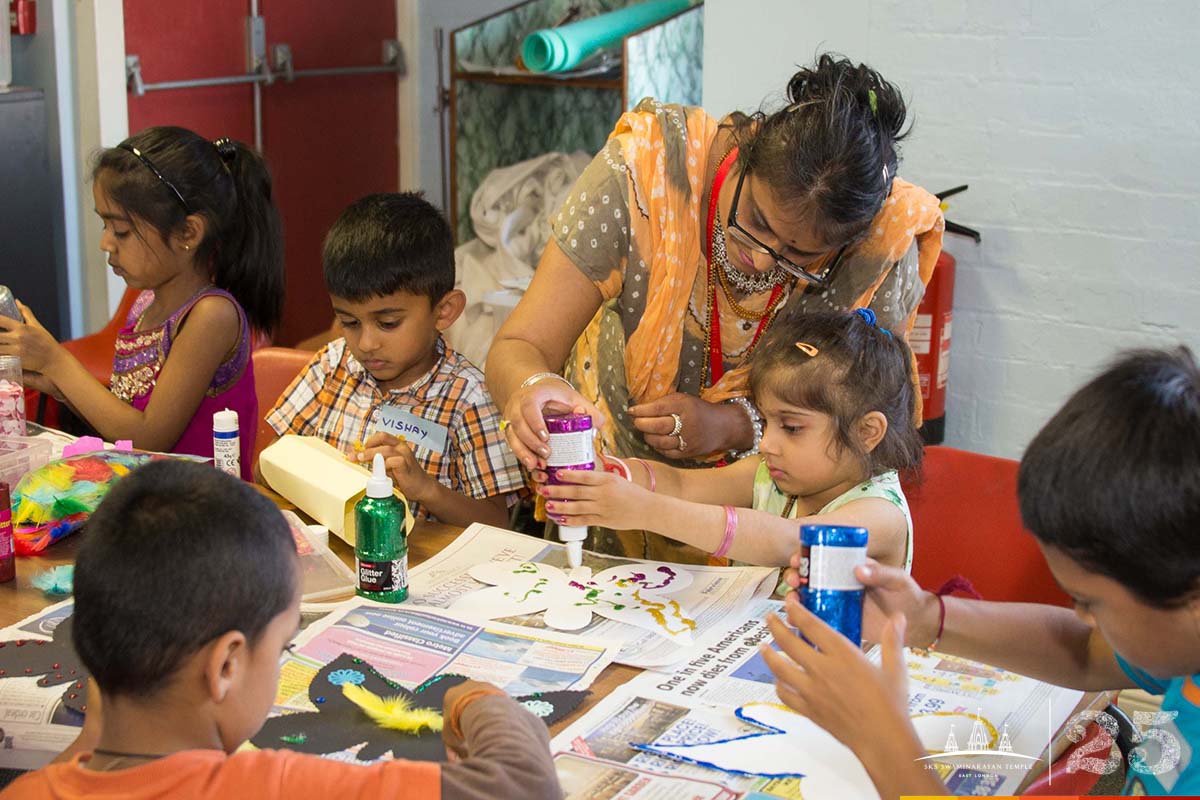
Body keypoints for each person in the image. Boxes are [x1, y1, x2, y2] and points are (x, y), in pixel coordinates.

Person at [487, 54, 943, 559]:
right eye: (757, 222)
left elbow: (784, 527)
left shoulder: (880, 245)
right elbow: (520, 345)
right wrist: (541, 395)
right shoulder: (648, 172)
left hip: (738, 550)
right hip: (621, 512)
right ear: (745, 155)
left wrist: (735, 425)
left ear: (844, 246)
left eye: (800, 256)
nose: (761, 258)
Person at [760, 346, 1200, 798]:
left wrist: (882, 741)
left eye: (1090, 602)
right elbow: (1088, 652)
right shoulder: (1182, 646)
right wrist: (926, 616)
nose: (1086, 618)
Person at [1, 460, 560, 799]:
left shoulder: (30, 790)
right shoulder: (270, 788)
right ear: (225, 666)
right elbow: (522, 787)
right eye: (282, 646)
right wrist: (477, 701)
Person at [0, 127, 283, 478]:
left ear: (188, 233)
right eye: (104, 225)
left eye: (121, 230)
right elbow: (124, 417)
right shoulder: (146, 304)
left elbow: (149, 437)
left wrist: (56, 361)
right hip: (148, 489)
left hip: (201, 502)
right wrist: (56, 384)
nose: (105, 243)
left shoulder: (211, 315)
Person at [541, 309, 920, 568]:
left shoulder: (879, 515)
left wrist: (645, 510)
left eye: (791, 427)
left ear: (866, 432)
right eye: (766, 422)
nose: (766, 443)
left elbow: (787, 541)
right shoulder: (767, 473)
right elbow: (682, 485)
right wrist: (608, 474)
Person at [266, 193, 523, 527]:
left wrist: (426, 489)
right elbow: (265, 463)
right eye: (349, 322)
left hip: (417, 556)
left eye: (388, 323)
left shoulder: (469, 398)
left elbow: (497, 524)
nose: (366, 343)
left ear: (444, 312)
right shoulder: (331, 365)